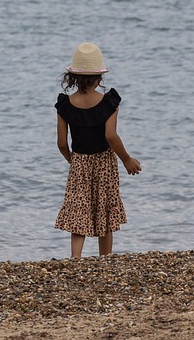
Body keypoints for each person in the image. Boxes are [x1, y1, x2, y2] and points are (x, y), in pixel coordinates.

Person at [54, 42, 141, 258]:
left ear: (73, 78)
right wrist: (127, 159)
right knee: (106, 208)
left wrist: (73, 161)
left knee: (78, 211)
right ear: (99, 78)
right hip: (104, 162)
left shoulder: (65, 105)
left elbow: (62, 143)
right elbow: (110, 136)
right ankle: (106, 257)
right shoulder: (108, 103)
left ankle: (75, 258)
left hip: (80, 162)